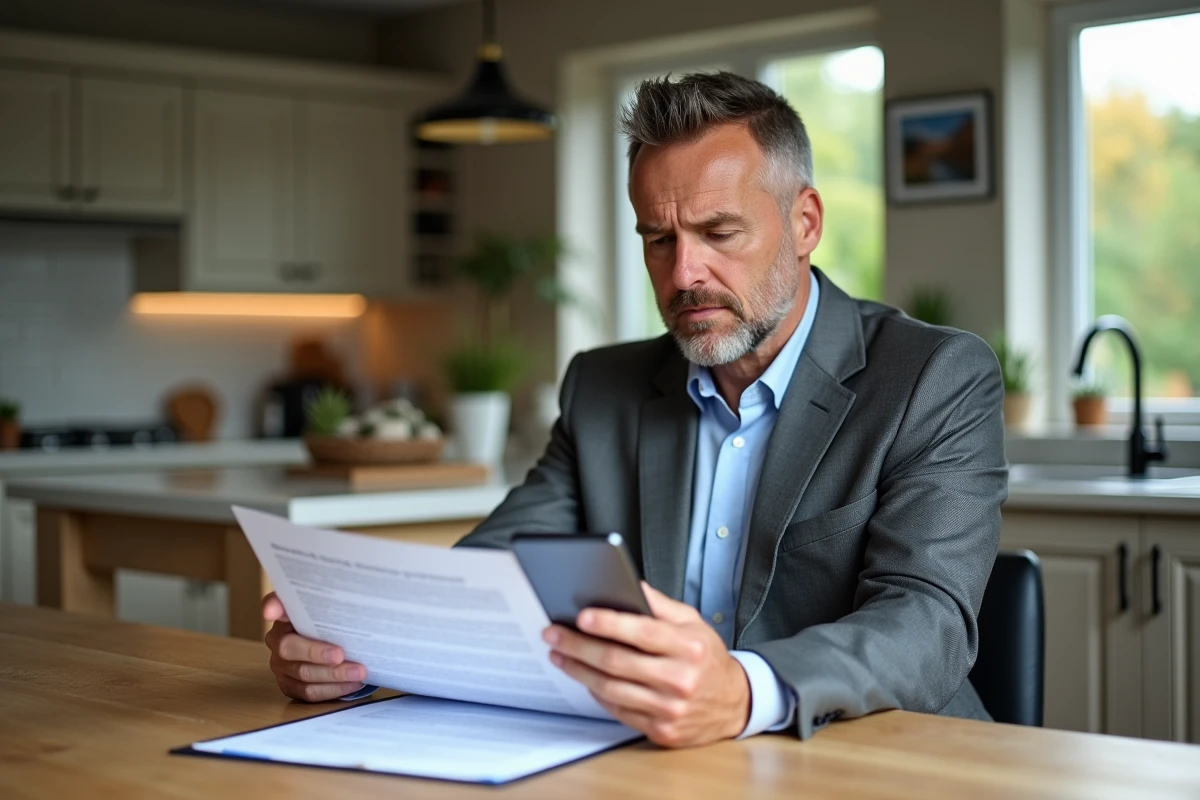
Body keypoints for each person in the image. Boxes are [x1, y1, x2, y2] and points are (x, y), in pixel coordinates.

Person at [262, 71, 1007, 748]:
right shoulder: (604, 388)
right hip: (651, 765)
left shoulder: (933, 377)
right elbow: (496, 571)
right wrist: (355, 648)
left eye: (719, 233)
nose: (684, 273)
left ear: (805, 222)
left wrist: (743, 692)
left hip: (881, 761)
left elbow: (926, 623)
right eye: (658, 240)